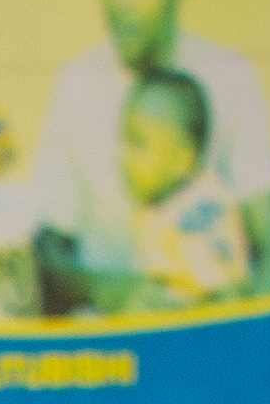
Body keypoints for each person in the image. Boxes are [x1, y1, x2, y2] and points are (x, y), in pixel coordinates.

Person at [25, 0, 270, 311]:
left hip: (207, 333)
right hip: (110, 339)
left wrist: (254, 348)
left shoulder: (230, 78)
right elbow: (46, 255)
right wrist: (118, 293)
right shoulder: (76, 84)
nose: (118, 2)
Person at [100, 68, 257, 306]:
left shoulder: (197, 213)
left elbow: (226, 297)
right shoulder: (163, 202)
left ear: (182, 160)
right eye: (123, 141)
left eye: (137, 143)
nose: (123, 157)